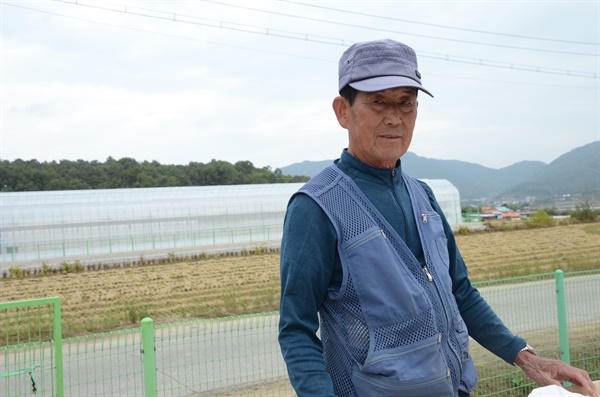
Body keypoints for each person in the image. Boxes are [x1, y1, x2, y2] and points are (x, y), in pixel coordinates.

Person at [277, 39, 598, 397]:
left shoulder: (422, 195)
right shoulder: (317, 207)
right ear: (343, 111)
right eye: (377, 102)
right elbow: (296, 328)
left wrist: (525, 357)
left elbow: (460, 291)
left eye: (406, 104)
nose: (394, 117)